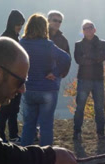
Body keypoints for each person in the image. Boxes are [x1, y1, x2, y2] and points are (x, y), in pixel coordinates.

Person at [19, 14, 71, 146]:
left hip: (28, 88)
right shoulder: (48, 45)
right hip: (47, 89)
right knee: (46, 125)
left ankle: (25, 156)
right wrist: (55, 73)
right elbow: (66, 58)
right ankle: (46, 157)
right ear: (44, 27)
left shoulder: (22, 43)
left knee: (28, 125)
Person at [73, 20, 105, 141]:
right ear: (83, 31)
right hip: (83, 79)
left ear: (94, 29)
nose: (88, 29)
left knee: (99, 107)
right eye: (85, 28)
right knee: (80, 107)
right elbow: (79, 60)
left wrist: (87, 56)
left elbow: (102, 57)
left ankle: (101, 133)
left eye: (90, 27)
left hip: (98, 79)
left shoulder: (102, 43)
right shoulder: (78, 45)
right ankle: (77, 132)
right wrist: (94, 58)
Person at [0, 10, 26, 143]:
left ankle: (11, 135)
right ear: (12, 23)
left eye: (21, 24)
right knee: (7, 108)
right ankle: (2, 135)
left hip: (14, 78)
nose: (20, 26)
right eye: (17, 23)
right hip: (9, 79)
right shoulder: (8, 38)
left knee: (13, 108)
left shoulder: (12, 36)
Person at [47, 10, 71, 78]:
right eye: (55, 20)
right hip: (38, 75)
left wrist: (62, 74)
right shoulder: (40, 36)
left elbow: (68, 59)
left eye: (60, 21)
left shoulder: (63, 40)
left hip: (55, 77)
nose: (57, 23)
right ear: (48, 20)